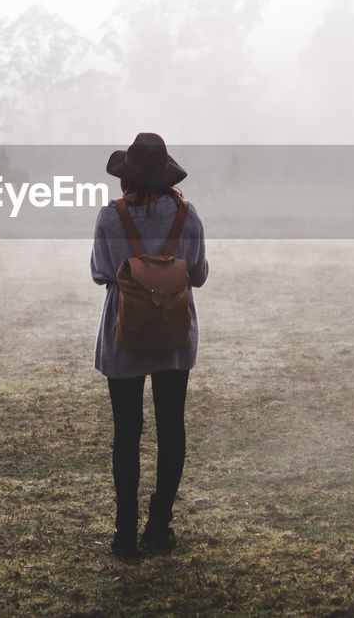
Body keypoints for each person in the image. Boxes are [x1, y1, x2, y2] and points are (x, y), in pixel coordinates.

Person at [90, 132, 209, 559]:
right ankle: (158, 528)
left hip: (124, 338)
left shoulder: (110, 217)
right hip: (173, 338)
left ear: (127, 178)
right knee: (170, 429)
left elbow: (101, 272)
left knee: (127, 433)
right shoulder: (187, 216)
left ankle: (124, 534)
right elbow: (197, 274)